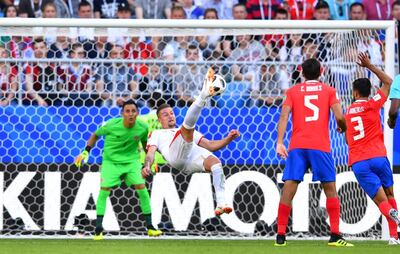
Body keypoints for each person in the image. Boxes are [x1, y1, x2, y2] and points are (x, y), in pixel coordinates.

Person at [142, 68, 240, 216]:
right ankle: (203, 95)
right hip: (175, 156)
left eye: (172, 113)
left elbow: (210, 145)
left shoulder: (186, 131)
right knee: (187, 130)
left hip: (190, 160)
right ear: (159, 119)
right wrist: (147, 165)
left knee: (215, 163)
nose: (170, 116)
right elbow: (150, 153)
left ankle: (221, 203)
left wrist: (229, 138)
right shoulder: (157, 133)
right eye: (165, 114)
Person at [275, 58, 351, 247]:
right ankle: (334, 235)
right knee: (330, 189)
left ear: (301, 72)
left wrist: (279, 142)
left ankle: (280, 236)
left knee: (289, 189)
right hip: (320, 146)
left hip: (297, 146)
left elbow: (284, 116)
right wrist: (342, 126)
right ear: (322, 71)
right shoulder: (329, 91)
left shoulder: (292, 92)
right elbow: (339, 117)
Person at [74, 100, 162, 240]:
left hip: (131, 162)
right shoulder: (111, 125)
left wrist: (151, 161)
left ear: (137, 113)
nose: (131, 114)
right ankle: (98, 229)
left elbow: (146, 145)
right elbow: (95, 135)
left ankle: (150, 227)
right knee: (104, 190)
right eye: (127, 111)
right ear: (122, 113)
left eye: (133, 111)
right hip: (111, 162)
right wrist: (85, 152)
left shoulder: (143, 127)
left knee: (142, 188)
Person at [345, 52, 400, 244]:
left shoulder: (348, 113)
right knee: (390, 194)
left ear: (355, 93)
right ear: (369, 91)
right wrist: (370, 66)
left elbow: (347, 139)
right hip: (378, 157)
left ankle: (392, 216)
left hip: (360, 161)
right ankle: (394, 236)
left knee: (381, 201)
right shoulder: (373, 104)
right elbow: (390, 83)